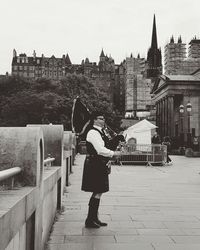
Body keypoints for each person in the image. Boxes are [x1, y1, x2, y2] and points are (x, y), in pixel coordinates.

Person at [81, 111, 121, 228]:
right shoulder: (93, 132)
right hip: (95, 164)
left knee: (99, 191)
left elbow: (106, 146)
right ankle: (90, 220)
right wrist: (114, 153)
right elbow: (100, 150)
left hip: (99, 163)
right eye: (100, 118)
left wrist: (116, 140)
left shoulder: (101, 132)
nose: (103, 121)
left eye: (103, 119)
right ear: (94, 120)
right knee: (97, 190)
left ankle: (94, 218)